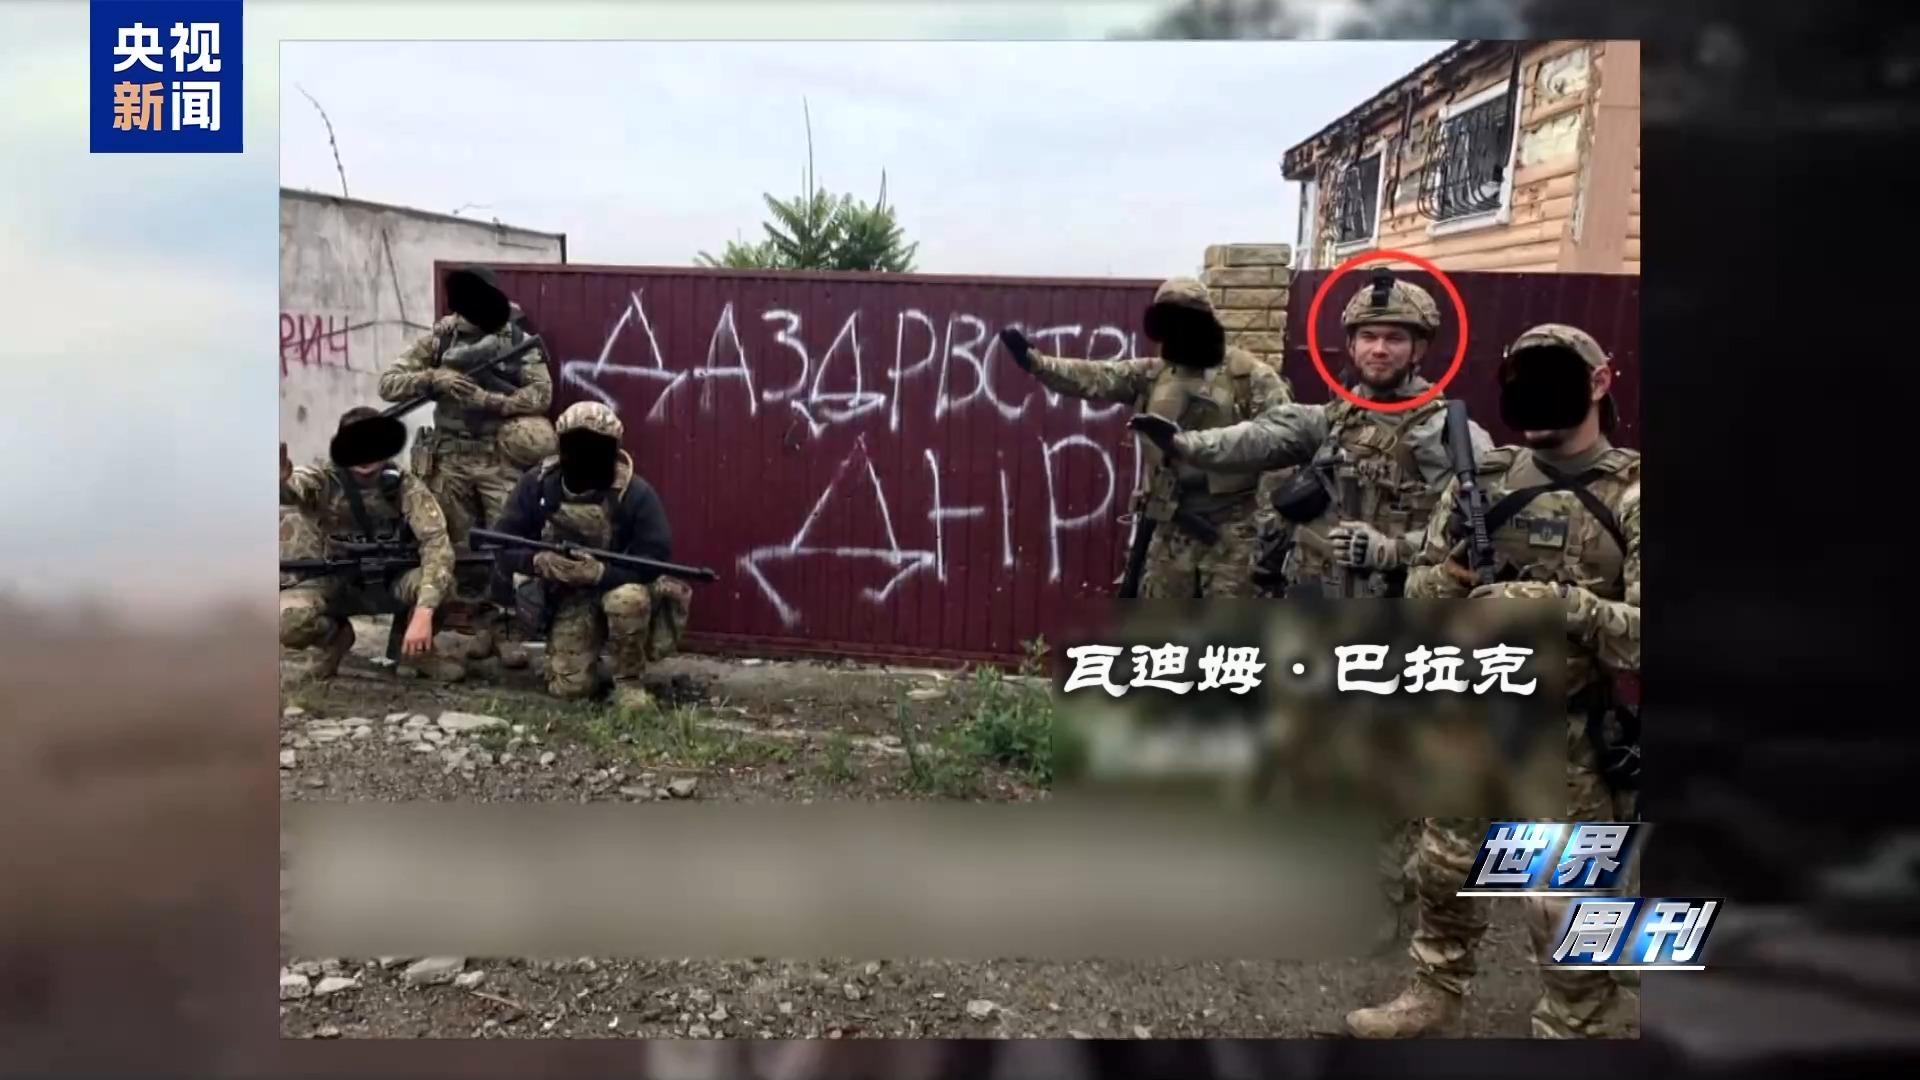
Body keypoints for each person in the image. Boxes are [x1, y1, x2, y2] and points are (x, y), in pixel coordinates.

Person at [1128, 267, 1493, 937]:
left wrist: (1393, 549)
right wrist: (1182, 442)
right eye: (1368, 337)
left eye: (1394, 337)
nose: (1379, 349)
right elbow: (1258, 437)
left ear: (1420, 348)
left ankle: (1393, 905)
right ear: (1349, 345)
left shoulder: (1452, 435)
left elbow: (1482, 538)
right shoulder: (1332, 420)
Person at [1347, 323, 1641, 1039]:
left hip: (1569, 733)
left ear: (1599, 383)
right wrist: (1451, 580)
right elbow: (1417, 596)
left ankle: (1579, 1023)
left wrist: (1560, 605)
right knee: (1443, 870)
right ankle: (1435, 995)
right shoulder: (1484, 483)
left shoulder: (1632, 493)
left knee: (1565, 902)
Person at [998, 277, 1292, 598]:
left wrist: (1269, 529)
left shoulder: (1250, 377)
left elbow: (1284, 447)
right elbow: (1095, 377)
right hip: (1171, 531)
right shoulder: (1154, 374)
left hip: (1235, 534)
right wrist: (1037, 363)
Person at [377, 265, 555, 668]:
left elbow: (541, 395)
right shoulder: (442, 338)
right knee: (457, 550)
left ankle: (503, 632)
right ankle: (467, 628)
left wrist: (488, 401)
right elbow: (388, 383)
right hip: (450, 460)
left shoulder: (516, 340)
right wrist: (433, 379)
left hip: (497, 458)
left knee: (505, 547)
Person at [489, 402, 691, 711]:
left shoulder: (634, 493)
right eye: (575, 445)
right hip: (569, 596)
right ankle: (579, 658)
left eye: (597, 447)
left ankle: (629, 680)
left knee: (628, 599)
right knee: (571, 689)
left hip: (618, 586)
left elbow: (653, 558)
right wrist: (537, 561)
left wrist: (601, 573)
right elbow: (503, 544)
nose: (584, 455)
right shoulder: (536, 485)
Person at [278, 407, 463, 681]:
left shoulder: (405, 486)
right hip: (337, 581)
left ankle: (414, 651)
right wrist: (280, 482)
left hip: (393, 581)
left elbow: (436, 544)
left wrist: (423, 613)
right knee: (286, 620)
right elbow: (294, 489)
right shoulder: (323, 479)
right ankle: (335, 640)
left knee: (443, 583)